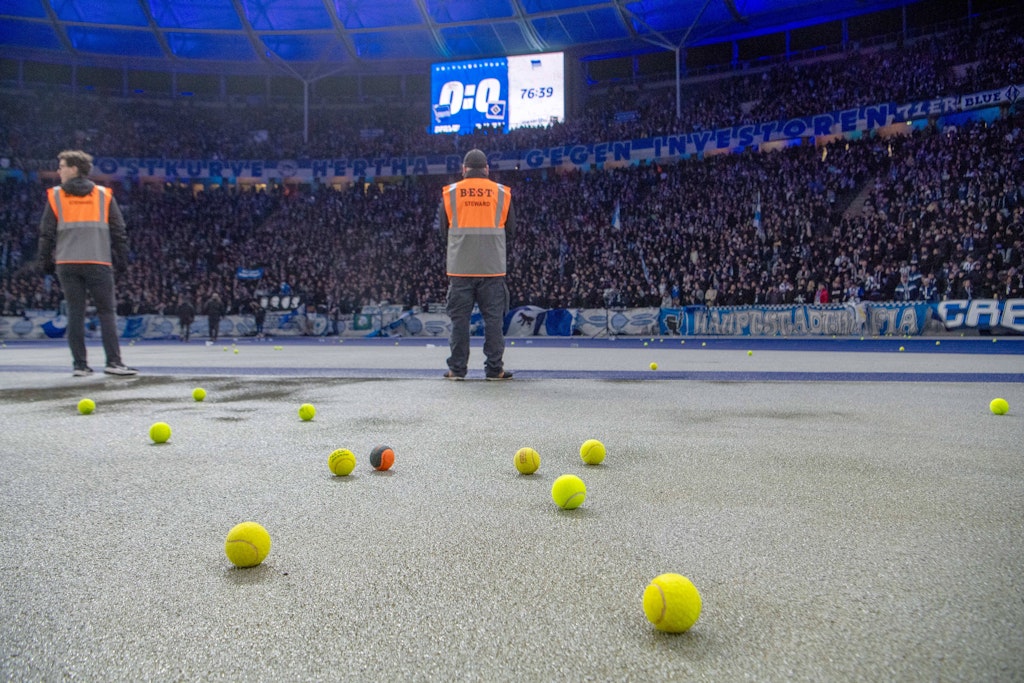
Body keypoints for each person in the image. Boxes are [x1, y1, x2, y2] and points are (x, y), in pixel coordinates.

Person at [37, 150, 137, 376]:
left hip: (67, 262)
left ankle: (80, 365)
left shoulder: (56, 195)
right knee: (106, 312)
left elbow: (46, 233)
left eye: (62, 166)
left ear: (74, 169)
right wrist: (122, 258)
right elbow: (119, 230)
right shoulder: (103, 194)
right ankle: (113, 362)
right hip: (98, 260)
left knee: (75, 313)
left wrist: (45, 260)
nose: (59, 171)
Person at [439, 148, 516, 380]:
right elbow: (511, 231)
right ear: (487, 169)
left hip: (460, 267)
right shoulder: (501, 193)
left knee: (460, 321)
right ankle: (494, 369)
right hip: (492, 267)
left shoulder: (451, 193)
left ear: (464, 169)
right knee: (493, 321)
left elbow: (443, 231)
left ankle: (457, 369)